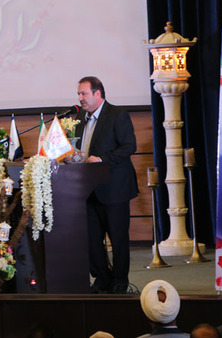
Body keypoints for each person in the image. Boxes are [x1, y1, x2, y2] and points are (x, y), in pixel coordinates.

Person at [74, 76, 138, 294]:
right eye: (79, 94)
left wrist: (102, 159)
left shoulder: (117, 115)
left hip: (114, 188)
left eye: (84, 93)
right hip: (88, 189)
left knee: (118, 239)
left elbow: (129, 146)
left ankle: (120, 281)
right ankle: (101, 278)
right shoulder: (79, 118)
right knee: (92, 239)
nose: (80, 98)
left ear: (98, 93)